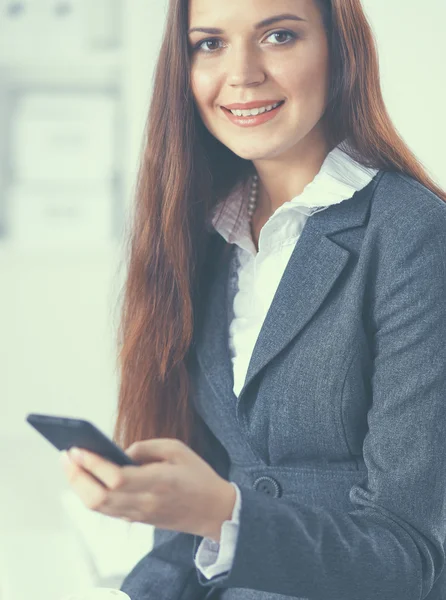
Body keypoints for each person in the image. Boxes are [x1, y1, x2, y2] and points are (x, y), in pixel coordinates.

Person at [60, 0, 446, 598]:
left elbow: (409, 558)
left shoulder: (410, 230)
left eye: (279, 36)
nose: (241, 73)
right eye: (209, 44)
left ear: (340, 52)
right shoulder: (201, 234)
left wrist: (222, 512)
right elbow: (179, 541)